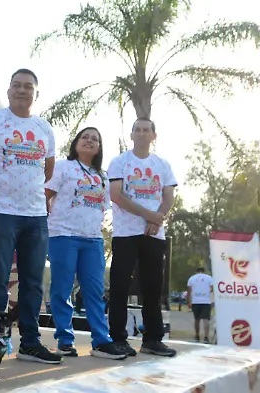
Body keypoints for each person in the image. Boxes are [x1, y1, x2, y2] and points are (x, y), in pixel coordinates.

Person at [0, 69, 62, 364]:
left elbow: (48, 170)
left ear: (36, 94)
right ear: (8, 90)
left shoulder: (44, 129)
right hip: (1, 211)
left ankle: (31, 343)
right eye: (17, 86)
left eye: (28, 87)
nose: (22, 91)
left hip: (35, 215)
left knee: (33, 281)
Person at [45, 127, 127, 360]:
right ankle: (65, 340)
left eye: (95, 139)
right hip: (63, 235)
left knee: (95, 291)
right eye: (85, 137)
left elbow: (109, 206)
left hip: (92, 239)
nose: (89, 141)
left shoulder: (103, 176)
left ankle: (101, 341)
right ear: (76, 143)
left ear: (99, 147)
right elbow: (45, 195)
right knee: (62, 289)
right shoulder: (63, 167)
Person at [106, 117, 177, 358]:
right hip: (126, 232)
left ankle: (153, 339)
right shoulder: (120, 162)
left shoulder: (163, 164)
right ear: (132, 134)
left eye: (147, 130)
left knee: (153, 288)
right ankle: (117, 338)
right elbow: (117, 195)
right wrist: (150, 216)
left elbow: (168, 196)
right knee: (120, 286)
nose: (142, 133)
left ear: (153, 136)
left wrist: (158, 219)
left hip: (155, 235)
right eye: (138, 129)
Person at [186, 267, 213, 343]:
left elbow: (189, 291)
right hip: (206, 301)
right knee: (206, 319)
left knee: (197, 319)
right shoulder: (209, 278)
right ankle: (206, 337)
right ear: (204, 271)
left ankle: (197, 335)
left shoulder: (191, 278)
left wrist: (189, 301)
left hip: (195, 301)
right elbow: (213, 288)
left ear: (196, 271)